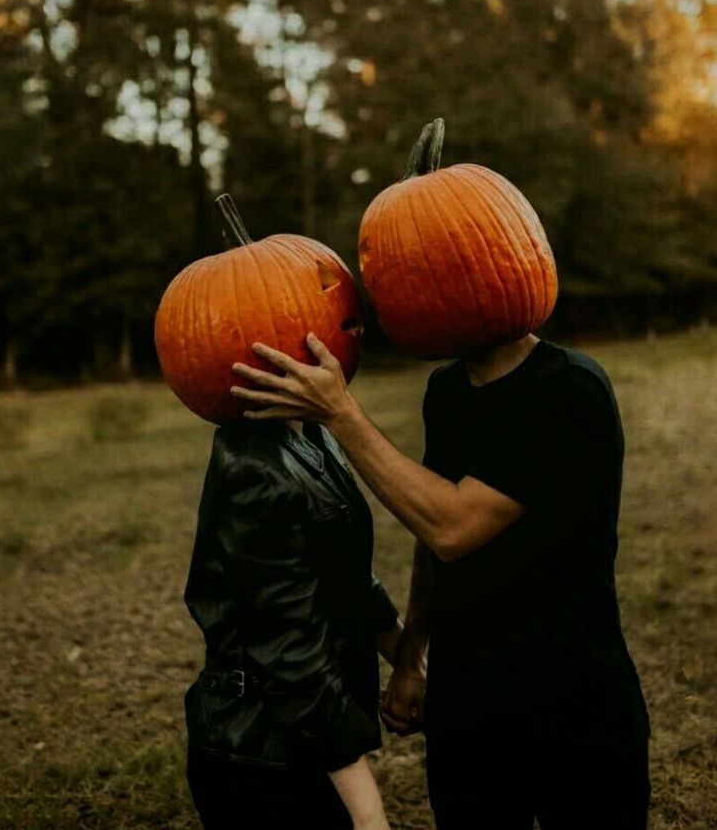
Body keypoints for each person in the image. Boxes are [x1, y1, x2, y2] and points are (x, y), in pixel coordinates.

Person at [230, 331, 651, 830]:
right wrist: (412, 656)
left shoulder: (570, 389)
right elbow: (430, 536)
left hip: (575, 701)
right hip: (469, 707)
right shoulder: (447, 390)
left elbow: (451, 526)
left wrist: (341, 415)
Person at [184, 411, 402, 830]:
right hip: (262, 759)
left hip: (307, 746)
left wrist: (407, 659)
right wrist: (368, 814)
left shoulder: (312, 431)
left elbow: (345, 570)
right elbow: (288, 649)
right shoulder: (253, 466)